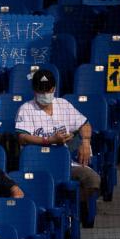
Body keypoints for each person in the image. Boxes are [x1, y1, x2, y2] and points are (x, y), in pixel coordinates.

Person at [14, 68, 101, 204]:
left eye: (48, 90)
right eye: (40, 91)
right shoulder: (26, 109)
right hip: (36, 165)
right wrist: (49, 140)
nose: (44, 94)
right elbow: (22, 138)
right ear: (34, 90)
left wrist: (85, 142)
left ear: (53, 88)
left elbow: (85, 124)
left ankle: (71, 210)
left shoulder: (63, 105)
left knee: (92, 179)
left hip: (64, 164)